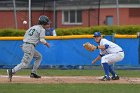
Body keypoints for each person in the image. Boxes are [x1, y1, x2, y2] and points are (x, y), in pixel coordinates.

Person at [7, 15, 50, 81]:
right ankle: (12, 71)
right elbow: (42, 40)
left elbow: (25, 35)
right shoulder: (42, 29)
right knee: (25, 63)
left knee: (39, 57)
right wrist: (47, 44)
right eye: (47, 23)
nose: (49, 24)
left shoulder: (32, 27)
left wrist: (25, 44)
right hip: (29, 46)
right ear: (44, 23)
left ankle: (33, 73)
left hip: (26, 45)